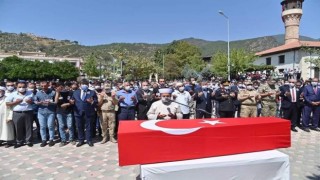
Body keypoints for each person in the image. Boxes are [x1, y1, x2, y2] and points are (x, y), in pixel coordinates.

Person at [6, 81, 34, 148]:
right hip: (17, 113)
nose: (22, 88)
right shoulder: (13, 94)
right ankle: (19, 141)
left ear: (26, 87)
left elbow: (34, 101)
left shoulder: (30, 93)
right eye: (20, 87)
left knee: (29, 127)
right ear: (17, 87)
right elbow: (7, 103)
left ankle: (29, 141)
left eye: (23, 87)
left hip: (28, 112)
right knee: (18, 128)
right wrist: (16, 102)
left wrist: (31, 102)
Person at [70, 79, 98, 147]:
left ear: (88, 85)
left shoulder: (92, 92)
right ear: (80, 85)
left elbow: (96, 102)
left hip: (89, 112)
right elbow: (72, 100)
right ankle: (81, 140)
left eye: (86, 84)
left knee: (89, 127)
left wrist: (92, 102)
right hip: (78, 112)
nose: (84, 85)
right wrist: (71, 102)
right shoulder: (75, 92)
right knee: (79, 127)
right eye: (83, 84)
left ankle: (89, 140)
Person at [34, 81, 57, 147]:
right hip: (41, 112)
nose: (44, 87)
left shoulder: (53, 92)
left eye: (45, 86)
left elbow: (56, 102)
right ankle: (43, 140)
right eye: (42, 86)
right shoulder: (38, 93)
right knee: (42, 127)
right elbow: (35, 101)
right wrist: (38, 103)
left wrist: (50, 103)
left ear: (48, 85)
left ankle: (51, 139)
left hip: (50, 112)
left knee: (50, 126)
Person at [55, 82, 75, 147]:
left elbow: (73, 102)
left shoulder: (70, 93)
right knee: (61, 126)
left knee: (70, 126)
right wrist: (57, 93)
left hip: (68, 111)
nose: (61, 88)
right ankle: (63, 140)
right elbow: (56, 102)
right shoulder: (57, 93)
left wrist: (67, 104)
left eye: (61, 87)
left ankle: (71, 139)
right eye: (59, 87)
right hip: (60, 112)